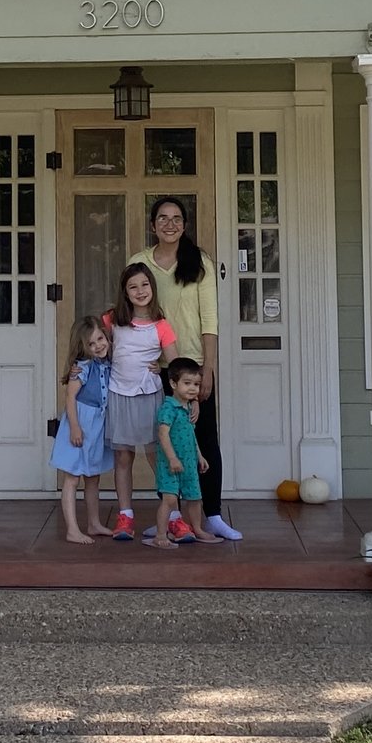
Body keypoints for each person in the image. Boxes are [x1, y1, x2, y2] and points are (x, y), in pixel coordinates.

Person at [136, 198, 239, 539]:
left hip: (192, 367)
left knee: (203, 440)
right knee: (163, 443)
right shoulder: (139, 263)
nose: (170, 224)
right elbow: (131, 313)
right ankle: (173, 517)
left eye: (177, 218)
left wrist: (208, 369)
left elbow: (209, 320)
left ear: (184, 224)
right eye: (163, 218)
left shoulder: (200, 262)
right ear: (153, 225)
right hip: (154, 369)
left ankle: (213, 515)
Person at [101, 262, 176, 543]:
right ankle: (125, 515)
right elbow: (96, 347)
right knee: (123, 456)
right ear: (125, 292)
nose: (140, 291)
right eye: (133, 286)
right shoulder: (111, 320)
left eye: (145, 285)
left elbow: (176, 365)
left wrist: (163, 367)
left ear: (152, 288)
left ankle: (174, 517)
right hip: (119, 394)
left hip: (150, 395)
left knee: (158, 455)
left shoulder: (161, 325)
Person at [50, 314, 114, 544]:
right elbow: (70, 398)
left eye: (100, 339)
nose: (98, 346)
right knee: (72, 476)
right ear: (82, 346)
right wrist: (75, 428)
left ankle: (94, 523)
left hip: (97, 426)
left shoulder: (108, 364)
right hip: (80, 424)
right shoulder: (82, 368)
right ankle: (72, 529)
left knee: (93, 477)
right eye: (91, 343)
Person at [152, 356, 218, 548]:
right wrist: (172, 458)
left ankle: (197, 528)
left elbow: (191, 434)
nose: (192, 388)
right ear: (173, 384)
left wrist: (200, 456)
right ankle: (160, 534)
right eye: (187, 383)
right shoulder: (168, 408)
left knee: (195, 497)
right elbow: (163, 434)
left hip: (189, 462)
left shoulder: (188, 408)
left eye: (196, 384)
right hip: (170, 464)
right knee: (170, 499)